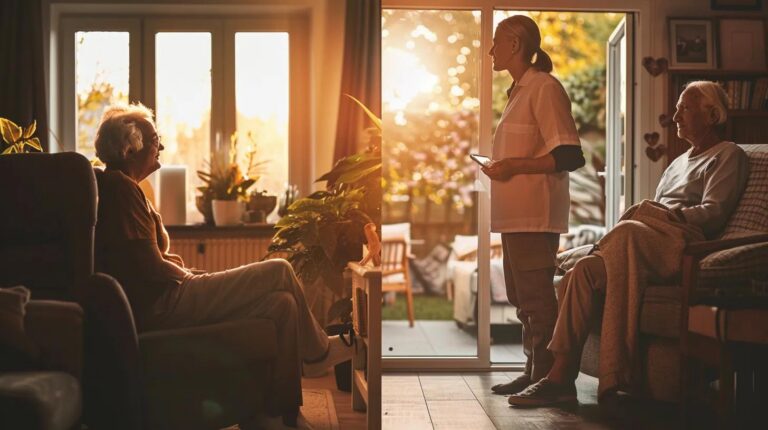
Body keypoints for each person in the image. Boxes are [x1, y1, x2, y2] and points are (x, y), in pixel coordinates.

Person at [92, 103, 352, 429]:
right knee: (280, 270)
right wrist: (195, 278)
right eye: (156, 139)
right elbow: (152, 268)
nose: (162, 146)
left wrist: (196, 276)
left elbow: (146, 262)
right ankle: (318, 355)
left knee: (282, 304)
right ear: (131, 148)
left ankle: (278, 415)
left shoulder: (126, 187)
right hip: (161, 305)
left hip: (167, 295)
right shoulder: (120, 188)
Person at [507, 80, 749, 407]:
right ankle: (560, 377)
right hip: (646, 237)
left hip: (679, 241)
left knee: (627, 231)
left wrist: (665, 216)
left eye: (685, 108)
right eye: (677, 107)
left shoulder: (728, 154)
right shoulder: (678, 162)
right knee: (581, 273)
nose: (675, 115)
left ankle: (609, 369)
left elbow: (714, 213)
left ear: (712, 114)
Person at [483, 15, 585, 397]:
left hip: (534, 214)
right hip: (515, 215)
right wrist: (504, 166)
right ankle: (533, 370)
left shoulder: (544, 87)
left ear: (515, 44)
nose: (491, 49)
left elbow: (570, 155)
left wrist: (512, 167)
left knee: (538, 298)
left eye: (496, 41)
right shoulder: (519, 90)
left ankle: (551, 379)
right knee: (521, 297)